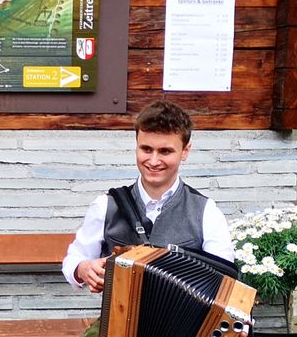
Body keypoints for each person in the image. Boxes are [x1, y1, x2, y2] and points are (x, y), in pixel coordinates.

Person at [61, 100, 238, 336]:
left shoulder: (206, 211)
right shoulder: (106, 205)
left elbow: (225, 284)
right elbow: (75, 258)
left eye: (165, 151)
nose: (153, 161)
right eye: (146, 149)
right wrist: (83, 269)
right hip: (118, 325)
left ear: (185, 151)